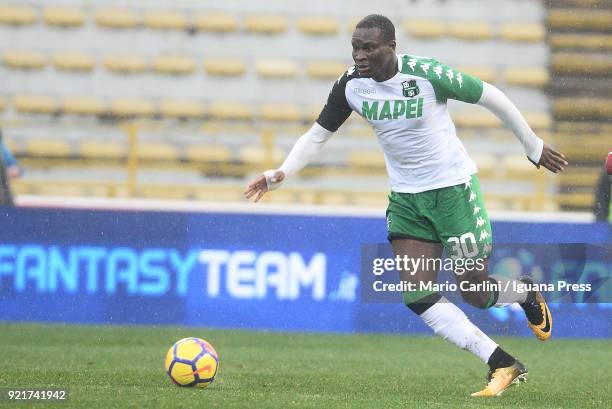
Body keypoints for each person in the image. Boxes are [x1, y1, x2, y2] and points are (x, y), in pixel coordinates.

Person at [245, 15, 567, 397]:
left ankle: (526, 293)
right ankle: (502, 363)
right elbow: (317, 135)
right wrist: (281, 172)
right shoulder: (351, 86)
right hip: (407, 201)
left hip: (454, 193)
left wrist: (533, 146)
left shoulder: (426, 76)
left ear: (391, 47)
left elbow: (490, 95)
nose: (360, 55)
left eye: (369, 48)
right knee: (416, 294)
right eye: (355, 48)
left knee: (475, 293)